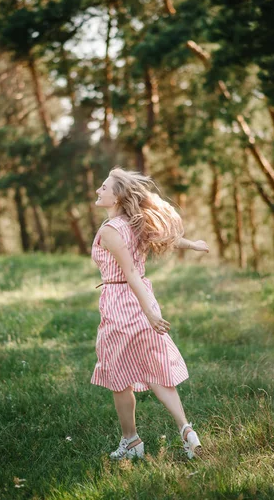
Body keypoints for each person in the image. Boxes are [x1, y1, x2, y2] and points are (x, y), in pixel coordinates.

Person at [91, 167, 209, 460]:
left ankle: (131, 442)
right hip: (145, 300)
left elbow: (129, 274)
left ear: (117, 196)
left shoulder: (110, 230)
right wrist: (192, 244)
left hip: (122, 304)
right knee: (156, 369)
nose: (98, 191)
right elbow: (167, 239)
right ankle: (186, 431)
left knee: (119, 376)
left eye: (104, 188)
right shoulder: (134, 224)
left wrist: (149, 314)